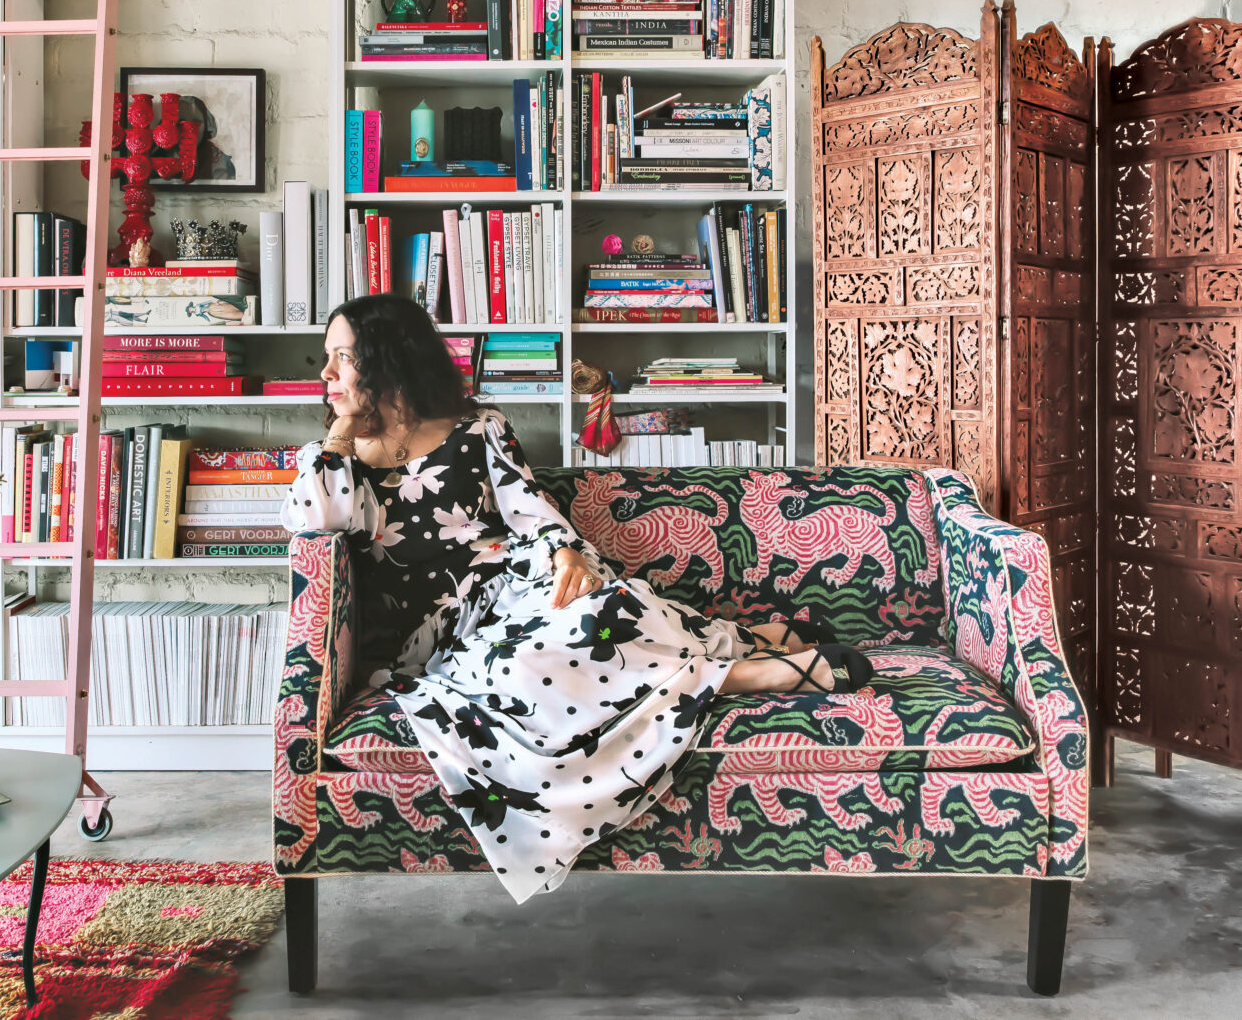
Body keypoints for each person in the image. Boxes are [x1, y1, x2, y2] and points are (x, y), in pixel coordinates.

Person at [281, 294, 869, 903]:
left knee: (601, 610)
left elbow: (530, 512)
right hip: (449, 638)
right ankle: (746, 672)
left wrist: (565, 553)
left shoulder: (479, 428)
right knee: (527, 664)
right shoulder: (333, 463)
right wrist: (341, 434)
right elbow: (311, 522)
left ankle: (754, 651)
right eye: (328, 359)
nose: (325, 374)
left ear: (388, 361)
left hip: (518, 585)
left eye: (343, 359)